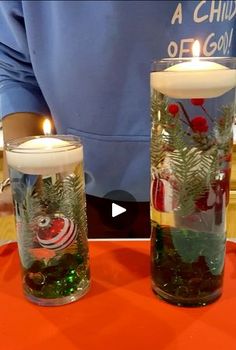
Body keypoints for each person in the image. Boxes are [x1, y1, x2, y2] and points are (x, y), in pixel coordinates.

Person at [0, 0, 235, 237]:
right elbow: (16, 69)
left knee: (192, 264)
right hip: (75, 191)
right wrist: (22, 178)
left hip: (201, 187)